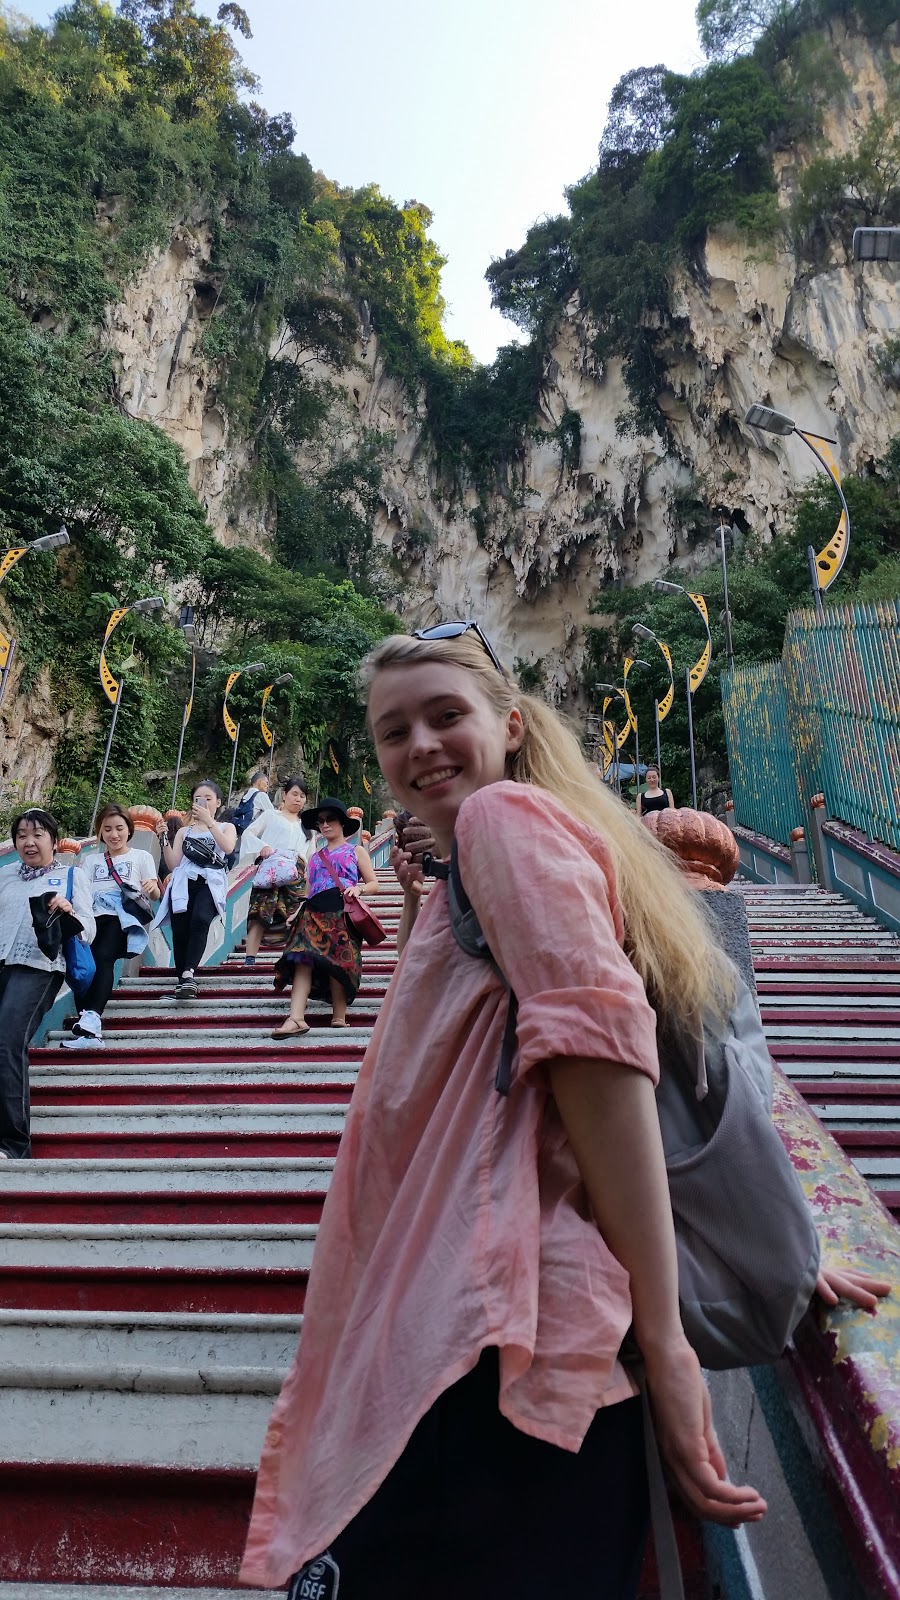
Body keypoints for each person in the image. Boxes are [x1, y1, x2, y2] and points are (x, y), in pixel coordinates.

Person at [241, 626, 890, 1600]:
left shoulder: (504, 821)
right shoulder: (485, 858)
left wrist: (670, 1340)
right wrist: (761, 1232)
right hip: (493, 1339)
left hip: (500, 1348)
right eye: (394, 730)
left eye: (446, 715)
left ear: (510, 724)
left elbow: (601, 1054)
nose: (421, 744)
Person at [0, 809, 95, 1157]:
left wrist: (69, 910)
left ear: (54, 841)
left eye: (38, 834)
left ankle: (13, 1143)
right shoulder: (5, 875)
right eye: (22, 835)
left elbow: (89, 928)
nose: (29, 842)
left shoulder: (70, 875)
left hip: (39, 966)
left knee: (8, 1041)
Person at [271, 796, 379, 1036]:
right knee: (302, 959)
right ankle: (296, 1018)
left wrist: (358, 889)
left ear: (342, 822)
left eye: (330, 819)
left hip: (341, 911)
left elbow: (374, 883)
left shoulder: (356, 851)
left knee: (339, 961)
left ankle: (339, 1016)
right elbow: (309, 890)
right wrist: (297, 912)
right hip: (312, 912)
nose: (325, 824)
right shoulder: (315, 857)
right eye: (321, 821)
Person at [63, 802, 160, 1049]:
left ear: (129, 829)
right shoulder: (90, 860)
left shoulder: (141, 856)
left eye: (119, 828)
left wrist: (152, 888)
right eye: (107, 829)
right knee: (85, 967)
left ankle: (93, 1016)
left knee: (103, 957)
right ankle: (89, 1031)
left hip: (120, 916)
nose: (114, 834)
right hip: (90, 917)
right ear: (100, 831)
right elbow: (81, 892)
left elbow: (154, 893)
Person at [151, 780, 237, 999]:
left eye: (209, 798)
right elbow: (174, 864)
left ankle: (189, 972)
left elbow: (228, 848)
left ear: (218, 802)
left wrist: (209, 822)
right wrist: (163, 839)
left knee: (200, 919)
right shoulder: (184, 831)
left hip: (210, 881)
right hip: (183, 882)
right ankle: (183, 980)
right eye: (199, 799)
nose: (204, 802)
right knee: (180, 929)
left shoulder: (226, 827)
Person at [240, 776, 314, 965]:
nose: (298, 799)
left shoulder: (308, 827)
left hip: (296, 876)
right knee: (260, 913)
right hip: (270, 872)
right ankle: (250, 959)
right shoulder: (271, 815)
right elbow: (249, 833)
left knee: (295, 916)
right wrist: (262, 848)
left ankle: (291, 960)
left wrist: (310, 873)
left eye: (302, 796)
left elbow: (311, 855)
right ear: (284, 794)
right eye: (294, 794)